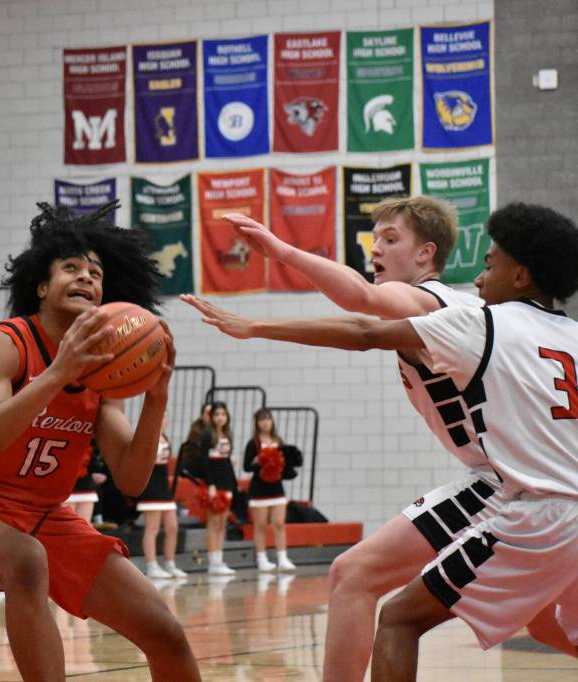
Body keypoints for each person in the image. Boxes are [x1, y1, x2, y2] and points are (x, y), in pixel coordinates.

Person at [184, 202, 578, 676]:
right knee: (546, 627)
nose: (376, 248)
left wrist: (278, 261)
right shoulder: (550, 327)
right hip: (528, 484)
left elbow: (362, 316)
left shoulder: (437, 303)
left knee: (372, 592)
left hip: (510, 487)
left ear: (426, 254)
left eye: (392, 239)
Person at [0, 202, 199, 681]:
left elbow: (133, 480)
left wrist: (156, 396)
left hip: (46, 517)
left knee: (165, 633)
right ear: (40, 285)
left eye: (95, 273)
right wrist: (57, 375)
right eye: (70, 268)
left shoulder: (102, 372)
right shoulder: (5, 343)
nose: (85, 277)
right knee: (27, 561)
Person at [243, 407, 296, 572]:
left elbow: (286, 464)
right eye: (261, 419)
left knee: (279, 523)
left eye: (268, 419)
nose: (265, 422)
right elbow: (247, 467)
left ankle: (282, 557)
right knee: (260, 525)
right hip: (259, 488)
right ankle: (262, 558)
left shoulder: (278, 441)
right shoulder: (253, 443)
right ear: (257, 423)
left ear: (272, 421)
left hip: (277, 488)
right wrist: (258, 460)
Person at [138, 412, 186, 580]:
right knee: (152, 528)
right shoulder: (146, 437)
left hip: (164, 487)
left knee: (173, 527)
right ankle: (151, 566)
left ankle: (170, 563)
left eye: (165, 416)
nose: (162, 419)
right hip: (150, 487)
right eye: (160, 415)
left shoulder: (164, 437)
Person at [198, 401, 237, 576]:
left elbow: (226, 460)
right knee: (213, 523)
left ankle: (219, 560)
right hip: (214, 484)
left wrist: (233, 484)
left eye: (223, 414)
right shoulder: (207, 434)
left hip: (227, 482)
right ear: (212, 417)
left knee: (222, 523)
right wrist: (211, 484)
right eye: (217, 414)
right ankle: (212, 562)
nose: (220, 417)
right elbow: (204, 462)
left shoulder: (228, 434)